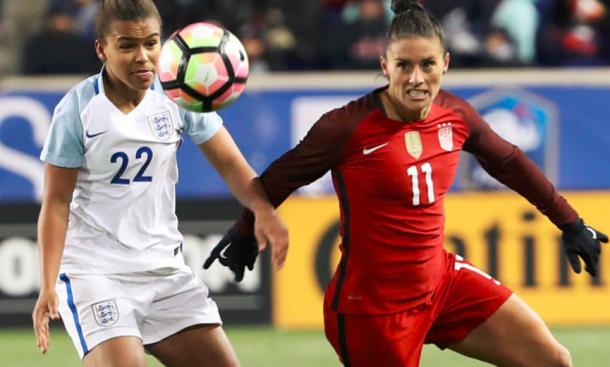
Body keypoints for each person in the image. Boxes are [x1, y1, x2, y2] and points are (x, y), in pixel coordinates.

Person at [204, 0, 607, 366]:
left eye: (427, 65)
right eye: (404, 66)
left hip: (443, 285)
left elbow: (510, 162)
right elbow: (276, 180)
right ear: (384, 66)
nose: (417, 79)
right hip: (371, 311)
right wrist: (244, 231)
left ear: (445, 63)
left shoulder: (456, 114)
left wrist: (570, 222)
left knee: (553, 360)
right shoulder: (345, 127)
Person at [31, 0, 288, 366]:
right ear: (101, 49)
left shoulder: (178, 95)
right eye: (127, 46)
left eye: (151, 43)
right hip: (96, 273)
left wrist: (263, 209)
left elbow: (231, 164)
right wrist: (47, 285)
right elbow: (56, 203)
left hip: (164, 271)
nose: (143, 57)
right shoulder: (77, 110)